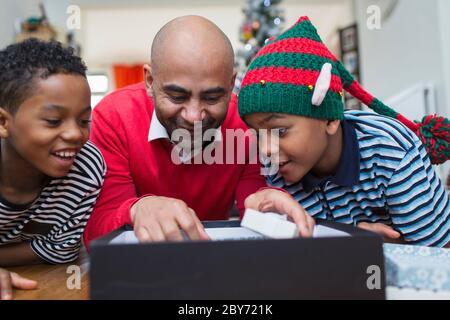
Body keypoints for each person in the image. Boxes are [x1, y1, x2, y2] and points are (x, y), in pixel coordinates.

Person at [84, 16, 315, 247]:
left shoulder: (245, 124)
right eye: (177, 96)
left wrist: (267, 208)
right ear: (150, 81)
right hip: (139, 268)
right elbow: (98, 233)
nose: (194, 116)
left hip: (210, 265)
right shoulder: (114, 117)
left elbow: (254, 207)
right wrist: (136, 210)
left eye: (212, 97)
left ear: (230, 84)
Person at [238, 16, 450, 247]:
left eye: (280, 131)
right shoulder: (278, 169)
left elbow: (439, 257)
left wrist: (386, 251)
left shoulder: (391, 151)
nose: (266, 149)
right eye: (258, 135)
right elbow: (305, 256)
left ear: (330, 119)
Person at [0, 39, 106, 299]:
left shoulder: (87, 168)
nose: (75, 134)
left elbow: (59, 250)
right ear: (3, 122)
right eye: (53, 121)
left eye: (84, 120)